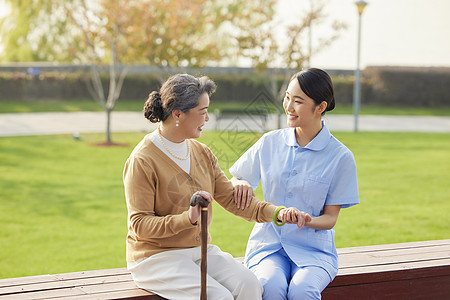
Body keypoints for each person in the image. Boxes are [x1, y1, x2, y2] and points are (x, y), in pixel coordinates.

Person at [123, 73, 301, 300]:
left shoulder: (202, 153)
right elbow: (139, 224)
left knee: (250, 285)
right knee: (218, 297)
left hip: (198, 251)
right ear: (178, 114)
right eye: (202, 112)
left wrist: (278, 213)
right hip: (156, 258)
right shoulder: (143, 160)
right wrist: (187, 218)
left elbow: (234, 199)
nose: (207, 119)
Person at [230, 68, 360, 299]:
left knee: (302, 290)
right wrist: (239, 182)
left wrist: (305, 219)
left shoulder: (340, 157)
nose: (288, 107)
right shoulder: (270, 142)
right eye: (287, 97)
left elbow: (330, 218)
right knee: (269, 286)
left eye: (298, 101)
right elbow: (237, 177)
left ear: (320, 107)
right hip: (267, 246)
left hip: (313, 252)